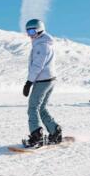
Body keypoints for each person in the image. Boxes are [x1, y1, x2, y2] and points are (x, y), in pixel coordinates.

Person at [22, 18, 62, 147]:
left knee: (33, 108)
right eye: (28, 32)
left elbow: (37, 66)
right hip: (48, 79)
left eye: (33, 31)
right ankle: (55, 131)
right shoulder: (44, 43)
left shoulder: (41, 45)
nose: (30, 35)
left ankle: (37, 136)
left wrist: (29, 82)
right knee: (42, 108)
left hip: (43, 80)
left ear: (39, 30)